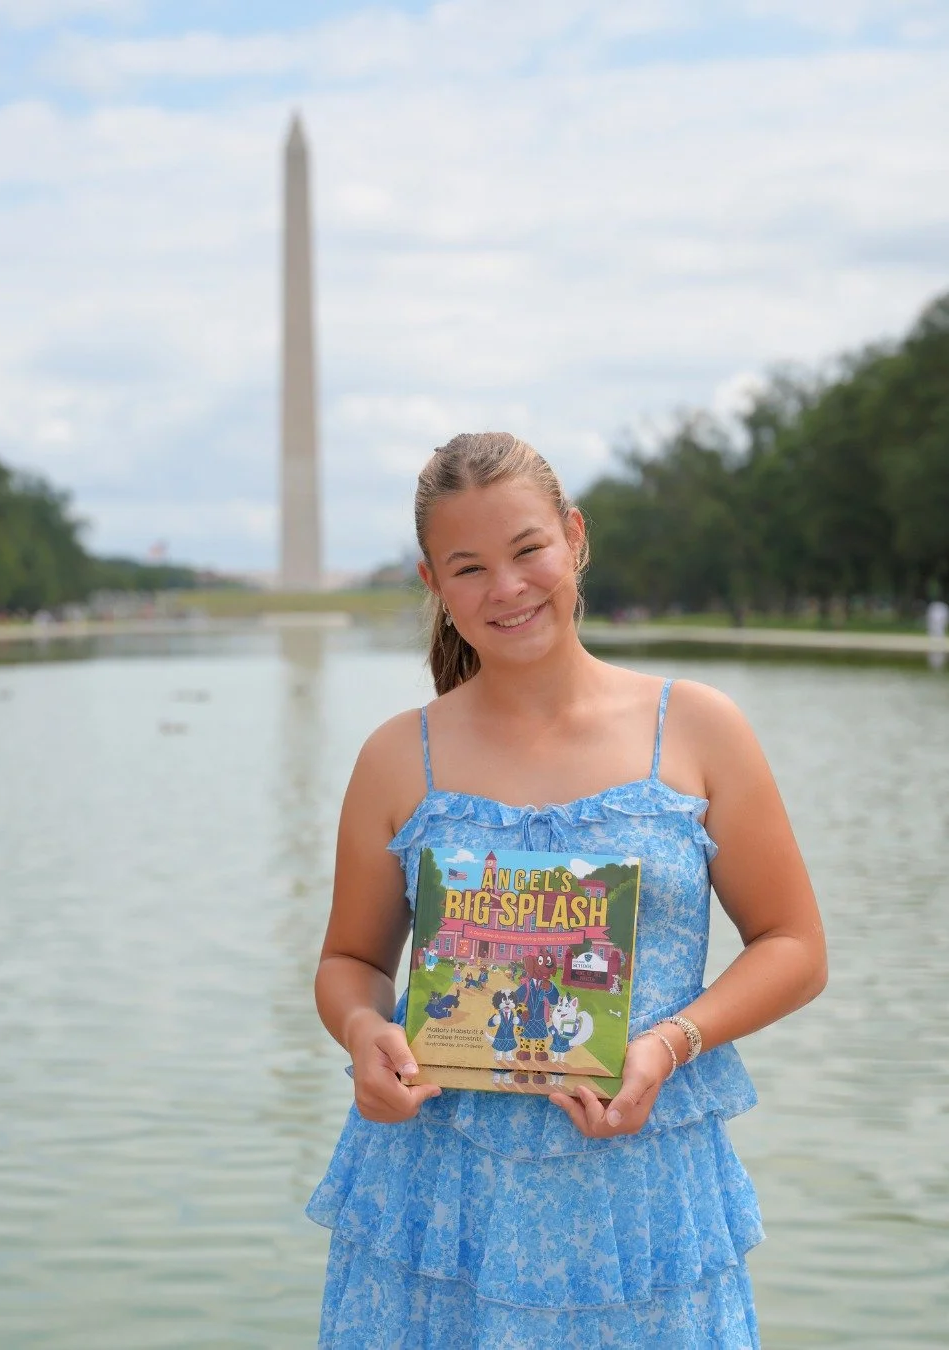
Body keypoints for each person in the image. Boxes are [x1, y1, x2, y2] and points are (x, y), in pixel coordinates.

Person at [307, 432, 827, 1348]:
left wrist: (669, 1045)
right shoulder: (397, 755)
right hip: (439, 1201)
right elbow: (350, 961)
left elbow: (795, 946)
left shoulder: (700, 727)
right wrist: (362, 1035)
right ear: (433, 582)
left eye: (527, 551)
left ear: (573, 538)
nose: (505, 588)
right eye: (468, 567)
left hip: (644, 1203)